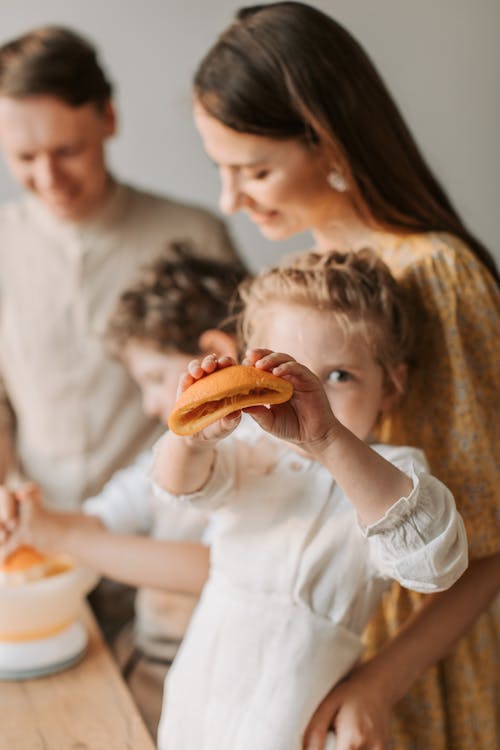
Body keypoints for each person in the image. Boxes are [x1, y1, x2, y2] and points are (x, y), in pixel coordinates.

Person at [190, 4, 500, 748]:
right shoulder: (298, 281)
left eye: (255, 170)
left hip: (409, 656)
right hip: (310, 645)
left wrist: (378, 682)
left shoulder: (435, 275)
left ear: (327, 142)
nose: (230, 201)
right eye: (220, 169)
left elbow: (489, 535)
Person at [151, 248, 468, 750]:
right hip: (205, 682)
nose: (309, 395)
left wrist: (328, 440)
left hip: (298, 706)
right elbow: (176, 490)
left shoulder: (393, 470)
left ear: (392, 384)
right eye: (286, 373)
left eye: (339, 376)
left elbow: (434, 564)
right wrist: (191, 435)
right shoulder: (251, 452)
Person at [0, 244, 246, 738]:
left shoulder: (260, 453)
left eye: (155, 378)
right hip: (146, 664)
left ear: (217, 355)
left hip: (219, 688)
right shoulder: (166, 452)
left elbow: (216, 569)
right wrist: (29, 517)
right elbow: (109, 512)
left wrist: (62, 537)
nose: (152, 405)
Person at [0, 25, 240, 511]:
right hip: (38, 530)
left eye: (67, 151)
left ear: (108, 119)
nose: (49, 179)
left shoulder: (195, 234)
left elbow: (233, 385)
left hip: (169, 519)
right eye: (24, 158)